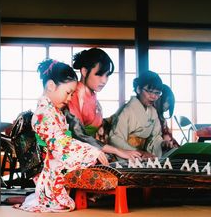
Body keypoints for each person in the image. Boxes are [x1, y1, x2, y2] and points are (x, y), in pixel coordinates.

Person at [16, 59, 108, 213]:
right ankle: (38, 196)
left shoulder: (54, 111)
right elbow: (60, 144)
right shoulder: (43, 113)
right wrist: (92, 151)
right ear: (51, 85)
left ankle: (35, 196)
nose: (69, 98)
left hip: (55, 161)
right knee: (64, 204)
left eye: (72, 94)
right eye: (68, 92)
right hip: (48, 167)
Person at [68, 48, 142, 161]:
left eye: (107, 75)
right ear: (84, 71)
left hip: (93, 151)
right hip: (76, 154)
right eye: (99, 75)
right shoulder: (74, 95)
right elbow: (77, 135)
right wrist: (117, 150)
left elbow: (101, 128)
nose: (104, 80)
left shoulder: (92, 95)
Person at [109, 70, 174, 159]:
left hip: (143, 156)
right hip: (126, 156)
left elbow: (155, 137)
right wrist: (139, 152)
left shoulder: (153, 112)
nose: (154, 97)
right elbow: (115, 139)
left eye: (157, 93)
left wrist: (162, 144)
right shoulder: (127, 110)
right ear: (138, 89)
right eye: (150, 91)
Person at [154, 84, 179, 150]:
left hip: (168, 149)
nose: (167, 105)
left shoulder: (162, 118)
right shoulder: (149, 114)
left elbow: (169, 138)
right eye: (166, 101)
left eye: (169, 102)